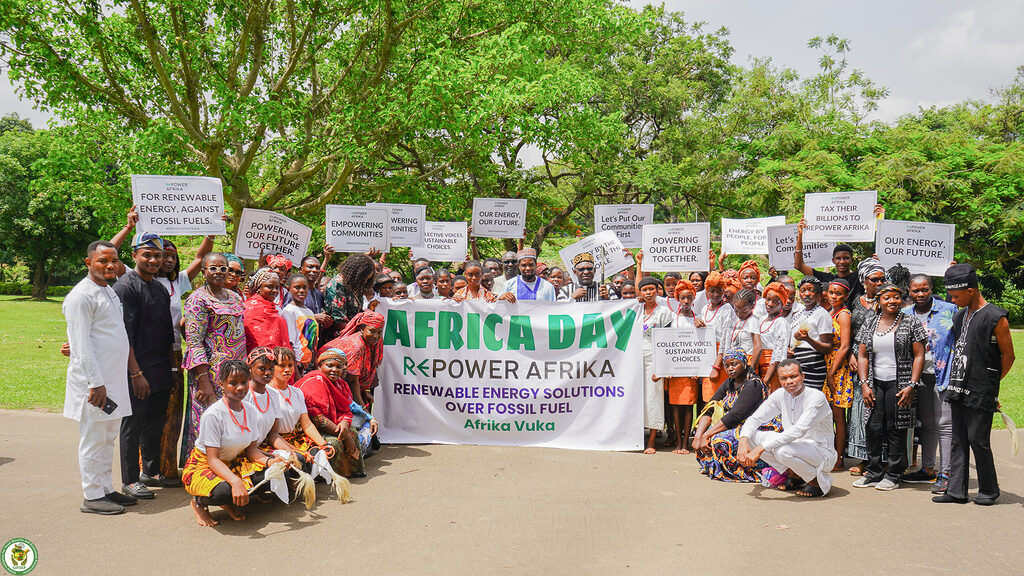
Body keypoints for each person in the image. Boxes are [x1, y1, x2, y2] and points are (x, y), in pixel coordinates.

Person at [63, 241, 137, 515]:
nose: (110, 265)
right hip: (96, 383)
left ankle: (105, 488)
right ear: (88, 263)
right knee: (94, 439)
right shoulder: (81, 296)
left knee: (107, 437)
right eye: (103, 260)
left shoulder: (108, 290)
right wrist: (95, 383)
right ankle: (92, 495)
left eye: (114, 260)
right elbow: (81, 345)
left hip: (113, 380)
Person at [934, 264, 1015, 505]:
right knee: (958, 439)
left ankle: (989, 490)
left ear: (971, 290)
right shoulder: (960, 316)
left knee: (978, 440)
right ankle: (956, 491)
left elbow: (1008, 356)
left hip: (981, 389)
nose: (953, 300)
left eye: (956, 296)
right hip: (957, 386)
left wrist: (990, 384)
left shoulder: (996, 317)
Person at [181, 361, 285, 527]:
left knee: (275, 473)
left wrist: (270, 462)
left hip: (234, 462)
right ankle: (199, 502)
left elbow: (251, 451)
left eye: (244, 382)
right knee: (223, 492)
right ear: (222, 384)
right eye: (233, 383)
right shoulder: (213, 415)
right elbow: (213, 460)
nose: (240, 387)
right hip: (205, 465)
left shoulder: (250, 410)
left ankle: (231, 499)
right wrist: (235, 482)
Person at [112, 232, 175, 500]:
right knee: (133, 423)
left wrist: (171, 369)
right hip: (136, 370)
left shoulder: (159, 287)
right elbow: (123, 335)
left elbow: (166, 333)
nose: (153, 260)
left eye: (157, 255)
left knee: (155, 421)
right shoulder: (125, 287)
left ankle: (150, 472)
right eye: (146, 255)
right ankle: (129, 479)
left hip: (160, 367)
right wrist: (136, 373)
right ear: (134, 255)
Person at [853, 283, 927, 491]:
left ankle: (894, 474)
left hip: (900, 384)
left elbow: (919, 355)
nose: (892, 301)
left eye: (896, 297)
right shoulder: (870, 322)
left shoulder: (911, 322)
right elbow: (862, 355)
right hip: (875, 383)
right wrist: (864, 384)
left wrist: (912, 385)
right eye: (886, 298)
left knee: (896, 428)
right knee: (873, 427)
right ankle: (873, 472)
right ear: (879, 301)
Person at [155, 237, 213, 484]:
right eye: (163, 256)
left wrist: (210, 234)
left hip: (175, 353)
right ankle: (147, 469)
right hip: (150, 354)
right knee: (152, 414)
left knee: (173, 414)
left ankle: (167, 469)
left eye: (173, 257)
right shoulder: (139, 280)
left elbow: (200, 258)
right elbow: (110, 252)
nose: (168, 261)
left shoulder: (176, 282)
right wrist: (129, 228)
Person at [180, 253, 247, 465]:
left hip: (235, 375)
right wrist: (204, 381)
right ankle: (201, 468)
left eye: (223, 268)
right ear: (204, 272)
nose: (218, 272)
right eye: (213, 268)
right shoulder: (197, 300)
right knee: (208, 420)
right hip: (210, 375)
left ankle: (229, 465)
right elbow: (194, 342)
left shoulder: (235, 297)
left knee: (232, 420)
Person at [738, 359, 839, 497]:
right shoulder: (780, 394)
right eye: (784, 378)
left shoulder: (816, 397)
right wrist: (742, 442)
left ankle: (817, 482)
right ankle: (796, 475)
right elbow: (755, 418)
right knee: (750, 437)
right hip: (795, 446)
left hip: (821, 452)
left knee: (782, 451)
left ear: (803, 376)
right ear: (779, 380)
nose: (789, 381)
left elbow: (798, 430)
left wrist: (759, 449)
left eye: (793, 376)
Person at [901, 274, 957, 491]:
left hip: (944, 374)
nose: (920, 294)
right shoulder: (905, 314)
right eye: (916, 290)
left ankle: (946, 473)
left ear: (931, 289)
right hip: (919, 377)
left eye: (924, 289)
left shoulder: (948, 310)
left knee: (945, 424)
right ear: (909, 291)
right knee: (926, 424)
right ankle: (928, 469)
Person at [693, 349, 777, 482]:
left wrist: (706, 435)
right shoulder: (729, 382)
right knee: (704, 435)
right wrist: (698, 436)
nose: (730, 368)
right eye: (726, 365)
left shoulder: (753, 384)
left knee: (720, 440)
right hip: (736, 425)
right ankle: (718, 466)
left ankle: (751, 470)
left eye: (734, 364)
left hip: (755, 427)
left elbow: (735, 416)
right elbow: (710, 408)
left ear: (744, 363)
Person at [296, 349, 369, 477]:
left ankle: (352, 471)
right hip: (309, 429)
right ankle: (331, 476)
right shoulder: (314, 382)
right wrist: (345, 436)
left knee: (351, 430)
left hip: (331, 423)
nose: (334, 370)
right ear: (319, 366)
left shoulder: (340, 384)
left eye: (338, 367)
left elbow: (345, 409)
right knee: (335, 443)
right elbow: (318, 419)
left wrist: (344, 422)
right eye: (329, 366)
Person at [847, 257, 885, 474]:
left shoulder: (889, 302)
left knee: (881, 410)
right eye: (874, 279)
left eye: (882, 279)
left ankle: (882, 459)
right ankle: (863, 458)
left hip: (882, 362)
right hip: (858, 363)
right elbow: (850, 333)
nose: (879, 283)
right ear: (864, 281)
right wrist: (850, 355)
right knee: (860, 410)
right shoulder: (856, 302)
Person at [268, 347, 335, 461]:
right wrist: (301, 452)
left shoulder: (297, 392)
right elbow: (272, 435)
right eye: (282, 365)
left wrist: (323, 444)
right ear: (271, 367)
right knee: (300, 459)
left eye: (290, 365)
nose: (287, 369)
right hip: (276, 442)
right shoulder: (267, 393)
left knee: (325, 452)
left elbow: (307, 424)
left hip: (297, 439)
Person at [318, 310, 385, 409]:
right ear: (362, 329)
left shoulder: (375, 341)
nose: (376, 336)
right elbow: (352, 381)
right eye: (372, 331)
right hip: (326, 382)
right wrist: (362, 409)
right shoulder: (355, 346)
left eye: (379, 332)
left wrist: (365, 391)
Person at [637, 276, 674, 453]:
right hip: (635, 359)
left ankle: (652, 440)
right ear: (640, 292)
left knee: (653, 398)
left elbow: (666, 341)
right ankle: (636, 437)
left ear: (658, 290)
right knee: (636, 397)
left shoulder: (664, 312)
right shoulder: (636, 310)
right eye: (645, 290)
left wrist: (661, 367)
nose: (649, 293)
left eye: (652, 289)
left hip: (654, 358)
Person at [664, 280, 701, 454]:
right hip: (674, 371)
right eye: (683, 298)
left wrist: (698, 369)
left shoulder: (698, 319)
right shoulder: (671, 318)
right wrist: (667, 368)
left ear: (694, 298)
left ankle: (686, 443)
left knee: (688, 406)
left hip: (691, 371)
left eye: (689, 298)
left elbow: (702, 346)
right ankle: (678, 441)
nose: (686, 301)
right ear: (678, 299)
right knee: (675, 406)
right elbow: (665, 344)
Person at [794, 221, 864, 308]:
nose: (842, 261)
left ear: (852, 260)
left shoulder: (859, 277)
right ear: (833, 260)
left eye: (846, 258)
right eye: (838, 258)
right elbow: (799, 266)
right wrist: (800, 236)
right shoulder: (827, 279)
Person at [823, 278, 854, 470]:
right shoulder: (829, 312)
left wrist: (831, 372)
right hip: (827, 364)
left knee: (838, 415)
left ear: (846, 296)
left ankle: (840, 457)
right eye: (831, 292)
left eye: (838, 293)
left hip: (838, 366)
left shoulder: (843, 315)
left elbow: (845, 346)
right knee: (828, 414)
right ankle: (830, 453)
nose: (834, 296)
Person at [788, 277, 834, 390]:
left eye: (811, 290)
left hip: (812, 365)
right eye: (803, 290)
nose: (807, 294)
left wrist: (808, 339)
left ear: (818, 294)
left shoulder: (822, 314)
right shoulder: (798, 314)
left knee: (810, 397)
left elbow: (828, 347)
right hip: (796, 363)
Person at [698, 271, 736, 402]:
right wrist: (698, 323)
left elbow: (726, 339)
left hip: (720, 357)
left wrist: (716, 366)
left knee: (718, 397)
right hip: (706, 354)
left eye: (719, 290)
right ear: (707, 292)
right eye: (712, 291)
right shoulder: (705, 309)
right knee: (707, 396)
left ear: (724, 291)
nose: (715, 294)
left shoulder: (727, 309)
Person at [323, 254, 376, 339]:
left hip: (354, 333)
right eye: (365, 278)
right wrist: (361, 332)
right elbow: (338, 321)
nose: (365, 281)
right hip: (340, 337)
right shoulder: (337, 285)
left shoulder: (354, 285)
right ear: (357, 274)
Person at [280, 273, 320, 374]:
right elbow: (290, 342)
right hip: (298, 363)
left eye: (304, 287)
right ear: (289, 289)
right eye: (297, 287)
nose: (301, 290)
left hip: (310, 361)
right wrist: (295, 370)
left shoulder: (309, 312)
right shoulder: (289, 311)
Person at [243, 268, 291, 351]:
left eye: (277, 287)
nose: (275, 291)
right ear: (258, 287)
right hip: (256, 356)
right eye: (270, 287)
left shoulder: (274, 308)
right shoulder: (249, 308)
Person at [756, 282, 790, 392]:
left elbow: (778, 354)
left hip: (772, 369)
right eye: (768, 299)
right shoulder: (762, 319)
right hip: (759, 366)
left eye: (776, 301)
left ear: (782, 304)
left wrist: (767, 378)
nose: (770, 304)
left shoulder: (780, 322)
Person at [725, 288, 762, 368]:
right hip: (733, 361)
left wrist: (751, 369)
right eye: (736, 311)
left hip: (747, 361)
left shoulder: (753, 321)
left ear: (752, 306)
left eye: (744, 311)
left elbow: (758, 347)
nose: (739, 314)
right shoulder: (735, 319)